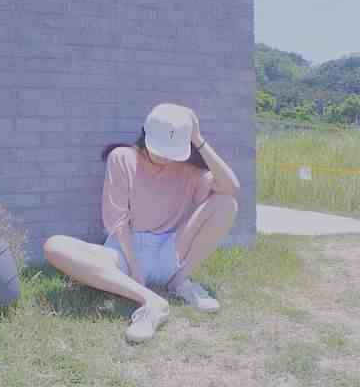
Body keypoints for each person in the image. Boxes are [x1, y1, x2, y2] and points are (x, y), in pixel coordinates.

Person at [43, 103, 240, 343]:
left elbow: (231, 188)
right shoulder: (122, 158)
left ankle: (179, 282)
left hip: (170, 249)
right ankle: (151, 300)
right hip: (125, 253)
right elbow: (118, 220)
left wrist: (198, 139)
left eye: (172, 151)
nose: (165, 157)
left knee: (227, 203)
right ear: (146, 133)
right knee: (54, 246)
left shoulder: (189, 170)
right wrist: (136, 269)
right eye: (160, 149)